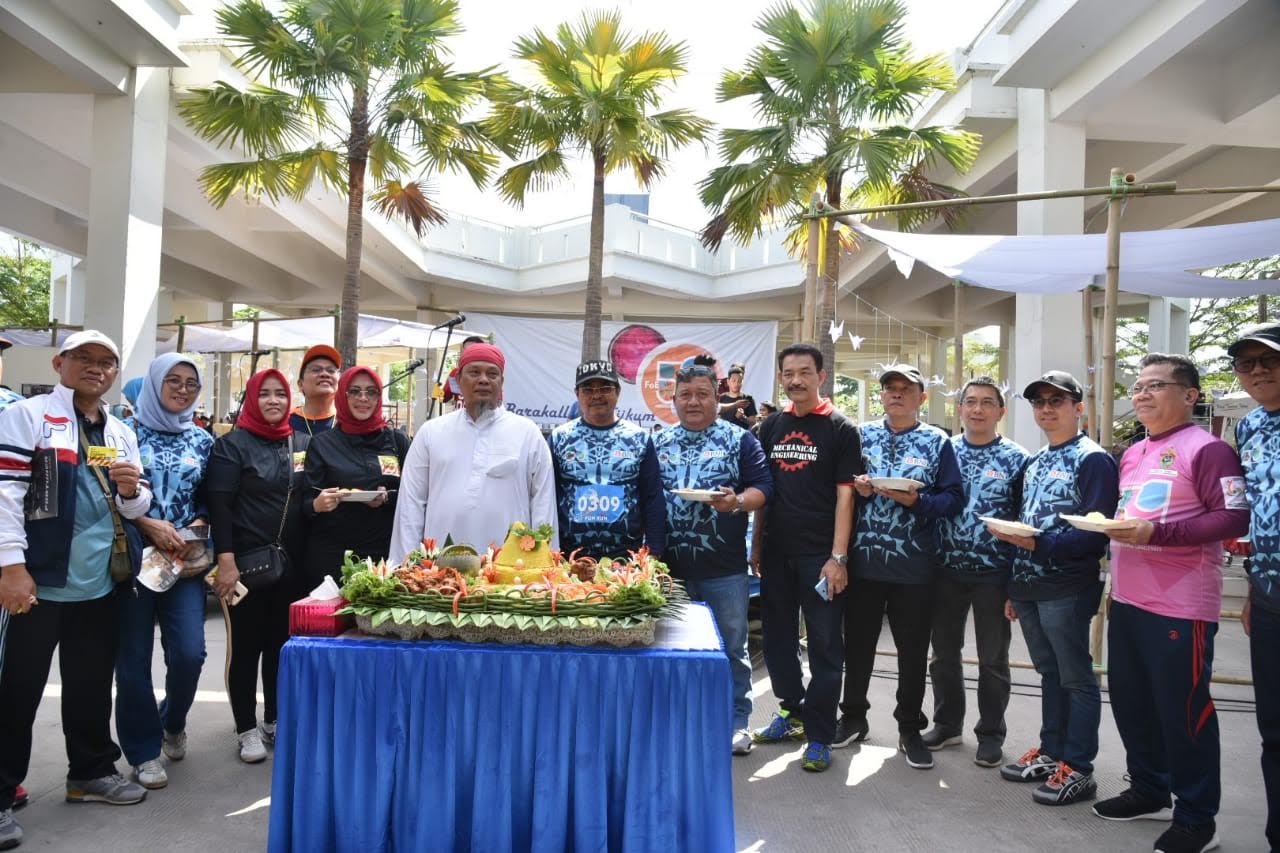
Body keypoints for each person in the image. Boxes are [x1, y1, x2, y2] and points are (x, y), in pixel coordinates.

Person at [0, 330, 153, 851]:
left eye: (106, 362)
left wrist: (133, 491)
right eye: (84, 359)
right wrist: (10, 568)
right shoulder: (30, 416)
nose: (96, 368)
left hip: (99, 584)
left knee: (90, 686)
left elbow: (137, 507)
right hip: (38, 583)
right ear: (59, 362)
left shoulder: (121, 431)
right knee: (15, 692)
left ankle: (89, 773)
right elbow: (6, 492)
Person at [1092, 353, 1248, 853]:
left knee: (1184, 712)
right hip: (1130, 599)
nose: (1142, 394)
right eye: (1138, 387)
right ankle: (1149, 788)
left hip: (1181, 606)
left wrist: (1157, 533)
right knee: (1133, 703)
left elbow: (1233, 519)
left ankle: (1197, 818)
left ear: (1189, 395)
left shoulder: (1208, 451)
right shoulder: (1134, 452)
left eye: (1156, 385)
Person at [989, 370, 1117, 806]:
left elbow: (1098, 532)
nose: (1047, 409)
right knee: (1049, 673)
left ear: (1078, 407)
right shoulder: (1036, 461)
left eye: (1057, 401)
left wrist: (1038, 544)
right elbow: (1022, 523)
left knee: (1076, 677)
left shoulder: (1093, 459)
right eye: (1039, 401)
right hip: (1028, 586)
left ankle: (1079, 767)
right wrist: (1014, 585)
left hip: (1067, 585)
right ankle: (1052, 752)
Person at [842, 365, 963, 770]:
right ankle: (853, 716)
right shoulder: (861, 435)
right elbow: (841, 492)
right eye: (889, 389)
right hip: (863, 563)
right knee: (857, 647)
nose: (896, 395)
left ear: (921, 398)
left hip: (914, 567)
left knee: (912, 653)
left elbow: (953, 500)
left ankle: (909, 728)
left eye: (905, 389)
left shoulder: (937, 441)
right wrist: (859, 491)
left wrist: (918, 502)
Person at [750, 343, 859, 773]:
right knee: (777, 641)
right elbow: (764, 492)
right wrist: (757, 544)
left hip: (820, 556)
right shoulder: (770, 427)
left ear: (821, 376)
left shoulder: (840, 429)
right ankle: (792, 711)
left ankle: (819, 733)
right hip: (776, 553)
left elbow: (845, 497)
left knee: (826, 645)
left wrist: (838, 557)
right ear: (781, 378)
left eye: (804, 372)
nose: (796, 380)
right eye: (788, 373)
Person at [654, 359, 771, 757]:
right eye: (685, 394)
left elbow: (763, 488)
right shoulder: (658, 442)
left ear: (717, 398)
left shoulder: (740, 440)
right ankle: (680, 722)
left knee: (731, 649)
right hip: (670, 571)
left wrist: (737, 502)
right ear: (673, 398)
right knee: (671, 650)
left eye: (702, 394)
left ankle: (738, 720)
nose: (693, 402)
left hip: (724, 569)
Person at [115, 354, 216, 791]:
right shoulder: (125, 434)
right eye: (172, 381)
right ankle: (141, 751)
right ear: (154, 385)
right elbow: (107, 494)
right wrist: (145, 522)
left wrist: (200, 523)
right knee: (133, 659)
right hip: (135, 559)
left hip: (183, 562)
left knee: (190, 653)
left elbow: (216, 495)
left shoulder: (204, 440)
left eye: (191, 384)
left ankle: (171, 720)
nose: (182, 389)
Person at [206, 369, 310, 764]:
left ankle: (275, 718)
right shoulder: (231, 447)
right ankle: (245, 728)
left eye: (279, 394)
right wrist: (226, 561)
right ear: (250, 399)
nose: (272, 401)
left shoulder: (299, 443)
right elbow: (220, 506)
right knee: (245, 648)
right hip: (244, 568)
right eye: (264, 394)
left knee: (280, 647)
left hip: (289, 566)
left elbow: (304, 500)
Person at [927, 376, 1029, 769]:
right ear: (959, 408)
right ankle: (947, 724)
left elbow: (1024, 519)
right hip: (946, 571)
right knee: (944, 656)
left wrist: (1016, 582)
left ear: (1001, 411)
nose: (977, 409)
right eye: (970, 402)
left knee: (992, 659)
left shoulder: (1017, 459)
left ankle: (990, 734)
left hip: (994, 574)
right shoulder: (944, 451)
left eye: (987, 402)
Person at [390, 343, 557, 561]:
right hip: (438, 572)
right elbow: (410, 504)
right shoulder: (431, 433)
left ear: (502, 382)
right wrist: (406, 565)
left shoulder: (528, 434)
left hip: (510, 572)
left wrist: (544, 567)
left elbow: (544, 506)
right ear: (459, 380)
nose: (484, 380)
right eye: (474, 372)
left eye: (492, 373)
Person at [1229, 322, 1280, 852]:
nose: (1258, 371)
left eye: (1269, 360)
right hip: (1268, 595)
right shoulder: (1250, 429)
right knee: (1274, 728)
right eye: (1247, 364)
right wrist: (1249, 588)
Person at [302, 367, 410, 586]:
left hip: (385, 558)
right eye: (355, 391)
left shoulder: (397, 441)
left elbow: (415, 496)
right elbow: (304, 502)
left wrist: (387, 497)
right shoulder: (322, 444)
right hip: (333, 558)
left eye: (371, 392)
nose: (363, 398)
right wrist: (318, 503)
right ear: (343, 395)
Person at [549, 360, 665, 560]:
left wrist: (653, 552)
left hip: (626, 559)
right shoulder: (560, 437)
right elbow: (547, 497)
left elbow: (653, 498)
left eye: (605, 388)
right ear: (577, 394)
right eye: (587, 389)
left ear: (617, 392)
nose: (596, 395)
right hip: (569, 558)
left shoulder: (639, 438)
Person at [288, 344, 341, 436]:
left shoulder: (345, 422)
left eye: (331, 370)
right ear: (301, 384)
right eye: (316, 370)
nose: (325, 374)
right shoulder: (286, 421)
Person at [442, 335, 488, 405]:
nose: (468, 353)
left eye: (472, 350)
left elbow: (497, 402)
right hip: (460, 414)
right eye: (466, 350)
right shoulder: (455, 372)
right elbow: (444, 398)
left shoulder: (488, 373)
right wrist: (439, 393)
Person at [718, 362, 757, 428]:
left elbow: (753, 421)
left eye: (739, 381)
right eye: (734, 381)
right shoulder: (721, 398)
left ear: (742, 381)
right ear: (728, 381)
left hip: (741, 436)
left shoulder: (747, 399)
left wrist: (743, 418)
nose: (736, 384)